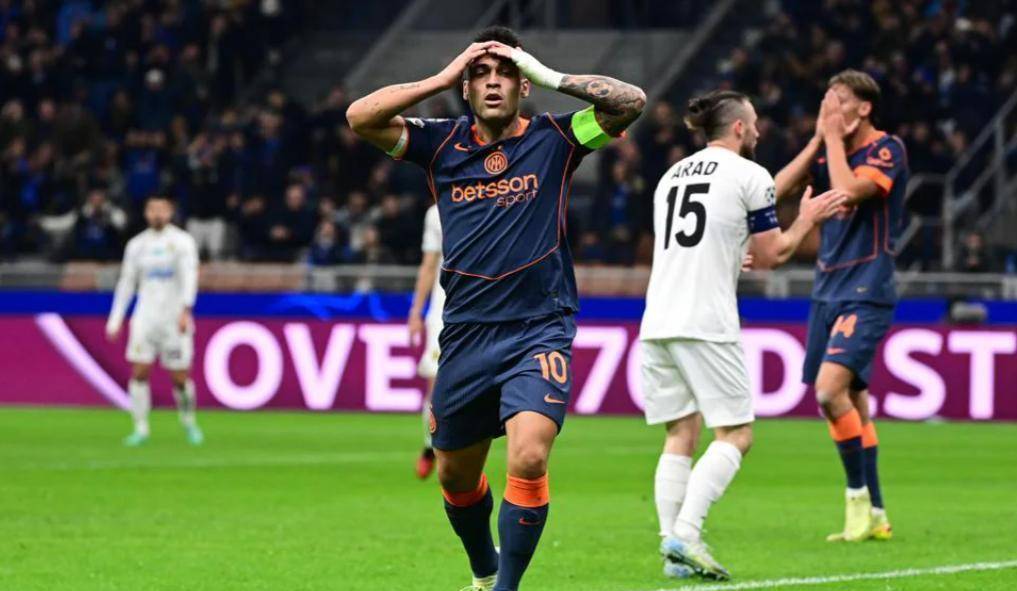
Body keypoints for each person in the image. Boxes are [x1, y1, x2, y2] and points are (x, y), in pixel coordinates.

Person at [346, 25, 645, 591]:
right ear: (465, 87)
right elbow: (360, 117)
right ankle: (484, 574)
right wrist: (442, 76)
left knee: (529, 457)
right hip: (465, 336)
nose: (491, 83)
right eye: (480, 74)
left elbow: (631, 102)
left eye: (505, 74)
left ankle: (505, 588)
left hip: (538, 329)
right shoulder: (439, 145)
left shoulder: (558, 139)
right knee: (455, 479)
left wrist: (547, 73)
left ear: (523, 85)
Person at [641, 90, 846, 580]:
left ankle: (672, 554)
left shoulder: (672, 176)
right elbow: (773, 254)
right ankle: (687, 533)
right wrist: (808, 219)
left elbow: (717, 232)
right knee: (736, 434)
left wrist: (815, 143)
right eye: (753, 123)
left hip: (658, 319)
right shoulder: (748, 175)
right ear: (737, 128)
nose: (757, 130)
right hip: (706, 320)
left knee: (680, 432)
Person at [774, 70, 909, 542]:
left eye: (840, 101)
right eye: (826, 102)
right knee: (853, 402)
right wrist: (818, 139)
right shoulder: (828, 150)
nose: (831, 110)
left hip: (866, 288)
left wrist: (831, 138)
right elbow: (773, 192)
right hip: (826, 290)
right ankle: (876, 513)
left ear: (864, 108)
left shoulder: (886, 150)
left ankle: (855, 500)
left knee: (829, 392)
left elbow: (850, 191)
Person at [105, 194, 203, 447]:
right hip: (145, 318)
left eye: (162, 209)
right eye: (152, 209)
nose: (157, 214)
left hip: (174, 319)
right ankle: (140, 428)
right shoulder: (136, 245)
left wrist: (186, 310)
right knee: (139, 372)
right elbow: (127, 282)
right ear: (146, 213)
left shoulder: (182, 242)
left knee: (180, 378)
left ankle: (188, 420)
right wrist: (116, 318)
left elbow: (189, 277)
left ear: (170, 212)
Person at [408, 204, 444, 479]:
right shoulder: (435, 214)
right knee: (437, 384)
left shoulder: (496, 201)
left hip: (485, 311)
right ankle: (431, 446)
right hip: (443, 312)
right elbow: (429, 265)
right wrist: (416, 312)